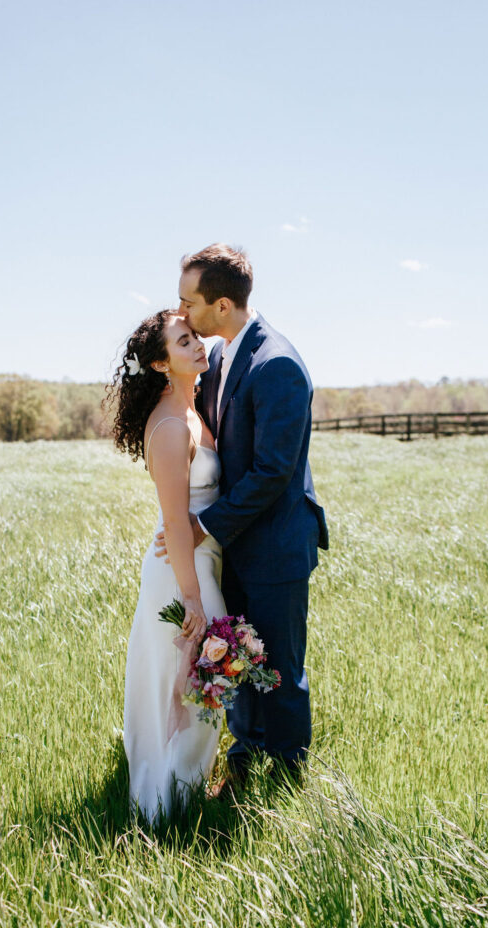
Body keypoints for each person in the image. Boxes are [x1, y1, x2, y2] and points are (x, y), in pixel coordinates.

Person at [159, 243, 328, 791]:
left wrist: (203, 526)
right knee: (239, 656)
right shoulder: (224, 355)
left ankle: (285, 779)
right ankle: (245, 759)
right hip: (238, 542)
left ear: (223, 305)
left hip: (276, 543)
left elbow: (273, 471)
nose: (182, 312)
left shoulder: (276, 363)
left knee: (279, 668)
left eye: (190, 302)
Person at [108, 309, 226, 822]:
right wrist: (193, 599)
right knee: (190, 682)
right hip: (184, 572)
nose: (198, 345)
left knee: (201, 683)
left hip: (199, 563)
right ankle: (165, 807)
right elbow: (177, 524)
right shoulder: (172, 425)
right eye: (183, 342)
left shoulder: (190, 410)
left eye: (195, 336)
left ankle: (183, 796)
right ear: (160, 363)